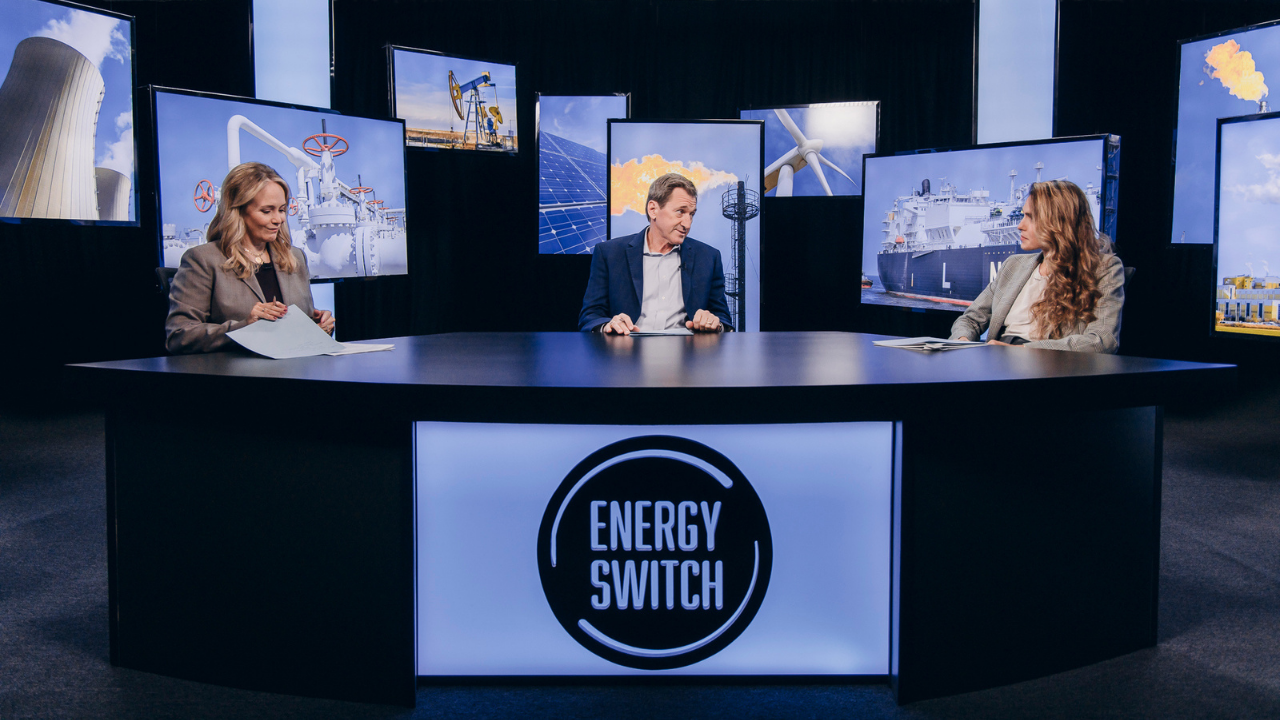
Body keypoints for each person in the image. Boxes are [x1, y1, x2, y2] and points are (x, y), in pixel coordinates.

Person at [165, 162, 335, 354]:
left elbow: (293, 331)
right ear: (237, 211)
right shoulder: (203, 260)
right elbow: (179, 336)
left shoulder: (295, 257)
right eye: (266, 211)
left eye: (281, 210)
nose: (278, 219)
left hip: (296, 374)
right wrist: (245, 327)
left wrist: (318, 325)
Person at [949, 179, 1125, 353]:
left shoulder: (1105, 269)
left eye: (1030, 217)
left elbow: (1101, 340)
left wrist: (1022, 350)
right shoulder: (1013, 265)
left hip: (1049, 369)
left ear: (1058, 221)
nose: (1020, 226)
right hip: (997, 360)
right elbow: (970, 319)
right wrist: (962, 342)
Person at [578, 173, 734, 334]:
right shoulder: (609, 254)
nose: (687, 224)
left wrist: (714, 322)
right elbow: (590, 316)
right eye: (680, 211)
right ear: (653, 209)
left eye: (691, 214)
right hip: (626, 354)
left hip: (688, 354)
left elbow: (723, 319)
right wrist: (608, 325)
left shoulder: (708, 257)